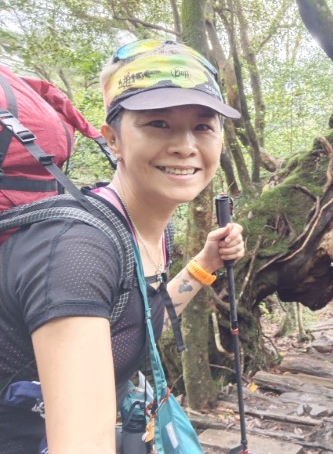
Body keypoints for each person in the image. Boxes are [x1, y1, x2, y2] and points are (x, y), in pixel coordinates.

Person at [0, 39, 245, 453]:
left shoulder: (142, 229)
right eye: (158, 124)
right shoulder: (76, 251)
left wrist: (204, 265)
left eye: (203, 125)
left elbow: (135, 319)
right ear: (113, 139)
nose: (186, 145)